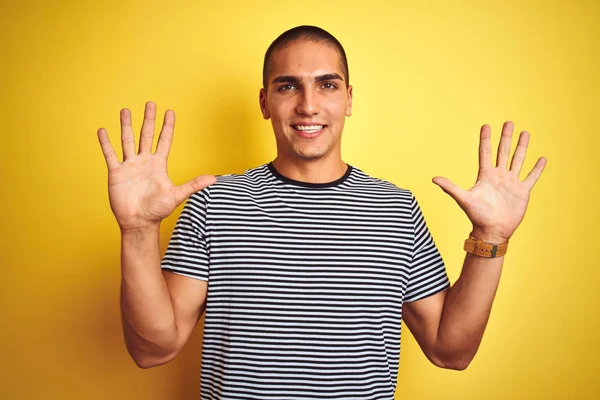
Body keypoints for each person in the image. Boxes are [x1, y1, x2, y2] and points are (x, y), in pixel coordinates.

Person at [97, 25, 547, 400]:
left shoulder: (395, 209)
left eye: (326, 85)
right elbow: (152, 349)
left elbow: (452, 351)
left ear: (348, 99)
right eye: (288, 85)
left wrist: (490, 238)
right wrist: (137, 231)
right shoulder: (215, 203)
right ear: (264, 101)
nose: (308, 105)